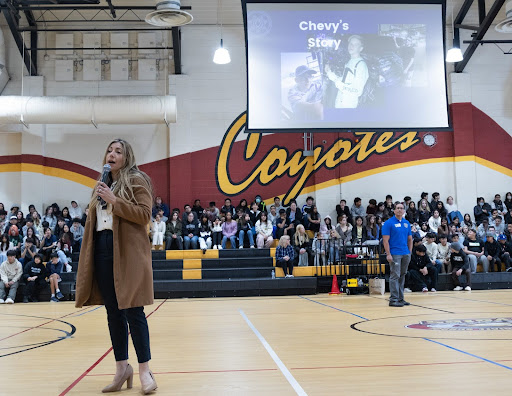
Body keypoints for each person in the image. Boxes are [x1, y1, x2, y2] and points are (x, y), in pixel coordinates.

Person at [75, 138, 157, 394]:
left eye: (117, 151)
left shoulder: (137, 179)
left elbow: (144, 214)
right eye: (109, 150)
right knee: (113, 312)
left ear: (127, 157)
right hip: (102, 247)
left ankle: (145, 371)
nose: (111, 154)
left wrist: (114, 200)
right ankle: (122, 367)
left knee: (134, 310)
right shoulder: (102, 182)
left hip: (127, 250)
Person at [382, 202, 413, 307]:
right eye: (398, 208)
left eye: (401, 208)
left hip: (405, 254)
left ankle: (400, 298)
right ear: (394, 210)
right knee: (395, 275)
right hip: (395, 253)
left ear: (404, 210)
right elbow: (385, 241)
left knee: (402, 275)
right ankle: (393, 299)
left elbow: (410, 239)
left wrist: (409, 252)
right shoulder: (388, 223)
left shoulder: (406, 223)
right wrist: (388, 254)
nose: (400, 210)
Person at [325, 35, 369, 108]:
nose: (352, 46)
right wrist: (329, 72)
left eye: (356, 44)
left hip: (348, 105)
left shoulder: (361, 65)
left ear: (361, 48)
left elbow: (357, 91)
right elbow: (343, 80)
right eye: (350, 43)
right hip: (339, 102)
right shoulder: (349, 62)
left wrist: (337, 82)